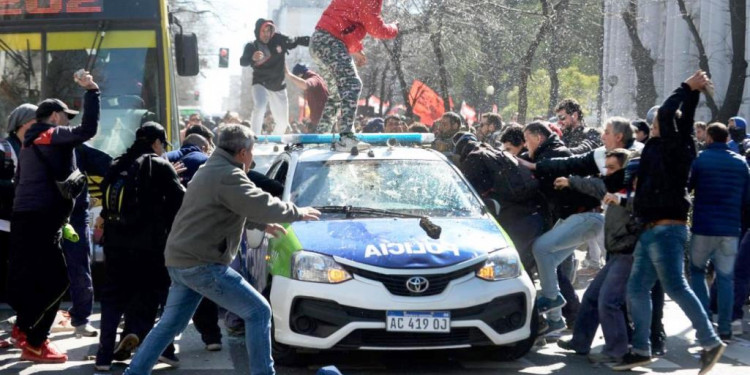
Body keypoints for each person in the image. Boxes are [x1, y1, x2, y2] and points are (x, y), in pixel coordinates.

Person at [123, 125, 321, 375]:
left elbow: (225, 207)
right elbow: (258, 202)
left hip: (181, 259)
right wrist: (298, 212)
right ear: (241, 152)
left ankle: (134, 372)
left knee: (169, 325)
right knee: (259, 311)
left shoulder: (211, 169)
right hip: (202, 263)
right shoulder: (228, 175)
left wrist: (262, 224)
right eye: (251, 151)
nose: (253, 157)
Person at [614, 70, 726, 373]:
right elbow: (682, 117)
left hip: (666, 228)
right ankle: (640, 349)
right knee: (637, 289)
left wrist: (685, 87)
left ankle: (710, 341)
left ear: (666, 126)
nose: (651, 127)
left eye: (654, 124)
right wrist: (693, 94)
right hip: (653, 229)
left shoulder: (675, 147)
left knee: (676, 286)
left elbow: (669, 113)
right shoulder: (670, 145)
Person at [9, 70, 99, 363]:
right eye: (66, 115)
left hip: (31, 220)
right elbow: (87, 131)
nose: (69, 121)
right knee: (59, 281)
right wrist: (92, 92)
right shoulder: (48, 134)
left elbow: (19, 182)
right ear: (55, 116)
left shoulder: (28, 143)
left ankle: (26, 331)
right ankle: (35, 340)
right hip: (41, 220)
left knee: (36, 279)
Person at [95, 122, 185, 371]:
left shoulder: (117, 164)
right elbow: (182, 202)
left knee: (112, 298)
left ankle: (103, 357)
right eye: (162, 145)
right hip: (149, 246)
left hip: (114, 244)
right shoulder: (160, 165)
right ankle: (164, 350)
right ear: (156, 142)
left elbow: (106, 203)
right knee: (155, 294)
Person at [555, 149, 637, 364]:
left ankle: (619, 351)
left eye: (612, 168)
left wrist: (622, 200)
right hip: (616, 253)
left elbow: (639, 210)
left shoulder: (633, 192)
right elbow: (592, 185)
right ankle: (580, 342)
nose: (607, 173)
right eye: (606, 168)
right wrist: (570, 181)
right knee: (592, 297)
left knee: (608, 302)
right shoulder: (611, 187)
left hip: (628, 254)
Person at [520, 121, 603, 335]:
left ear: (538, 138)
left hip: (584, 216)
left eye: (527, 140)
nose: (525, 145)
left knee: (540, 249)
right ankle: (556, 319)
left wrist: (528, 165)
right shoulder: (545, 154)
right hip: (578, 219)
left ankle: (553, 301)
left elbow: (550, 167)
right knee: (549, 261)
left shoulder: (555, 153)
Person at [688, 122, 750, 341]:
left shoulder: (701, 159)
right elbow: (746, 199)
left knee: (697, 272)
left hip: (703, 227)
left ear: (710, 138)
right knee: (725, 278)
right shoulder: (741, 163)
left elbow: (689, 187)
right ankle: (725, 328)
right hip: (730, 230)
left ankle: (704, 322)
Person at [310, 0, 398, 151]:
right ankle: (346, 136)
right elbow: (375, 28)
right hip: (330, 41)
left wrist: (356, 48)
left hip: (320, 41)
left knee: (338, 93)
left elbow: (345, 26)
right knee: (352, 84)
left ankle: (321, 135)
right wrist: (394, 28)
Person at [64, 143, 112, 338]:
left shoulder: (78, 148)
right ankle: (33, 324)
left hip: (74, 217)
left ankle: (81, 319)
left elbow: (111, 166)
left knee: (80, 269)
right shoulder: (36, 147)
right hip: (48, 216)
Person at [241, 19, 310, 136]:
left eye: (269, 31)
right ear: (258, 31)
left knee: (283, 123)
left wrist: (315, 41)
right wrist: (252, 57)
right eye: (263, 31)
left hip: (278, 85)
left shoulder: (279, 39)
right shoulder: (252, 46)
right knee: (260, 105)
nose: (266, 34)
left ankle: (274, 139)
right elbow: (243, 61)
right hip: (260, 83)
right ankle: (254, 138)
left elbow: (297, 40)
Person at [0, 104, 36, 302]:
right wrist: (18, 185)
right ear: (24, 124)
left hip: (24, 220)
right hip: (4, 222)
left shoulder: (35, 148)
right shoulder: (4, 149)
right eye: (36, 121)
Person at [286, 63, 330, 133]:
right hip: (320, 120)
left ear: (300, 75)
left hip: (322, 122)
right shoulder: (317, 78)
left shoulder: (313, 79)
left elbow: (306, 84)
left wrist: (289, 75)